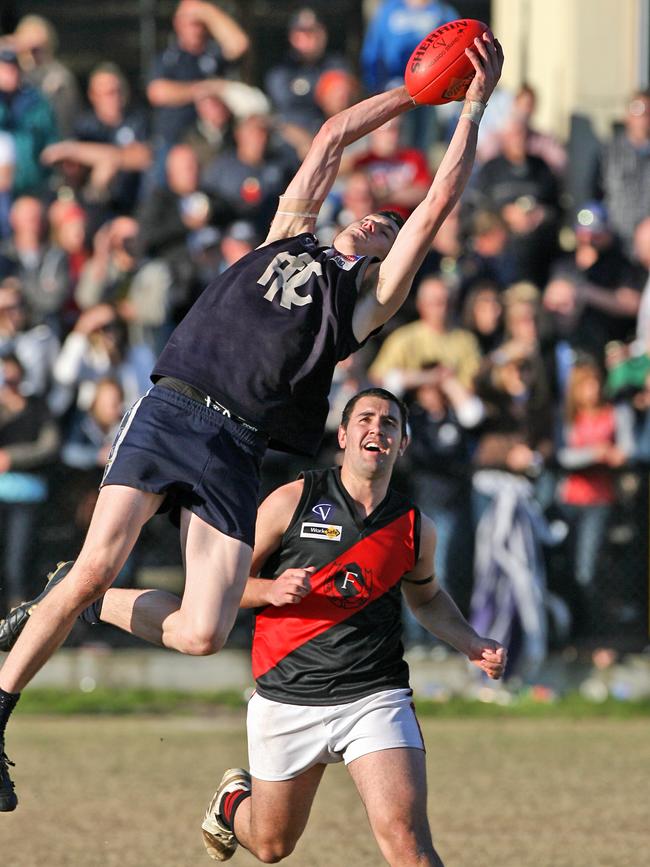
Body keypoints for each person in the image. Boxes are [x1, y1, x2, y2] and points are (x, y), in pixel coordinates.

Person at [0, 32, 503, 813]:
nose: (382, 221)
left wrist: (469, 105)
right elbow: (333, 135)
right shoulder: (287, 235)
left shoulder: (359, 308)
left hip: (234, 444)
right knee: (105, 555)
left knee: (202, 631)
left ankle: (76, 593)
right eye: (379, 216)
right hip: (173, 408)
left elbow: (436, 202)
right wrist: (416, 91)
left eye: (390, 230)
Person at [199, 388, 505, 864]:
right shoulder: (293, 500)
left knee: (407, 840)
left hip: (374, 697)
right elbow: (218, 584)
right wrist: (269, 590)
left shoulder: (413, 526)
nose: (376, 429)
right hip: (288, 695)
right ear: (343, 435)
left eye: (389, 424)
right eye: (365, 419)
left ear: (401, 444)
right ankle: (232, 802)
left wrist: (470, 642)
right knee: (271, 845)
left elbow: (425, 598)